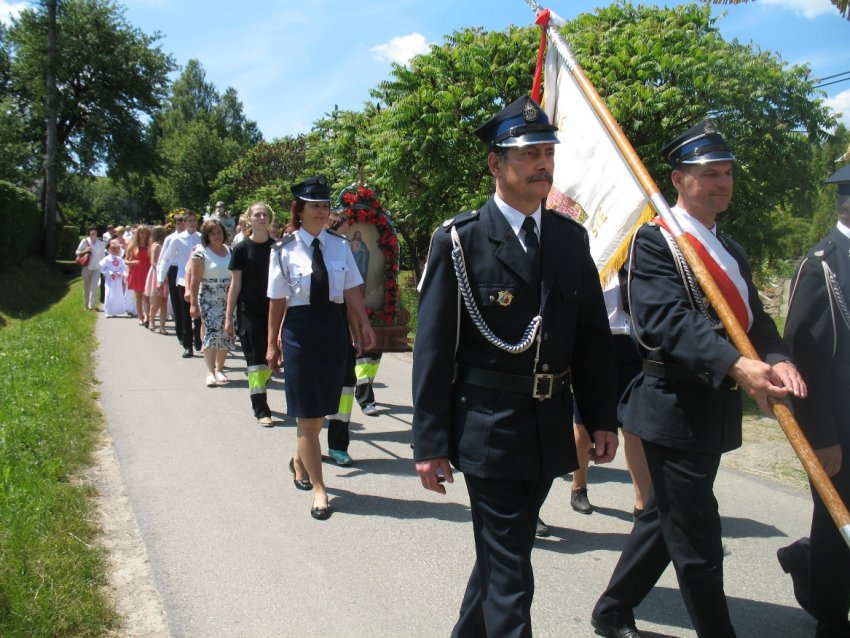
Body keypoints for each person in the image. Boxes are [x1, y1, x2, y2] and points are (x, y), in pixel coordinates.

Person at [412, 95, 619, 637]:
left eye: (547, 153)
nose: (542, 164)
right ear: (495, 163)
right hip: (488, 429)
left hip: (548, 426)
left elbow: (591, 341)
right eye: (529, 154)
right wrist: (430, 442)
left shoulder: (570, 239)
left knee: (503, 552)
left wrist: (601, 417)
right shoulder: (460, 240)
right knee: (510, 575)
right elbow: (433, 351)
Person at [591, 120, 807, 638]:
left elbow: (755, 318)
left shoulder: (729, 247)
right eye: (709, 173)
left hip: (713, 408)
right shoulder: (655, 241)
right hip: (672, 408)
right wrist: (736, 363)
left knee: (664, 520)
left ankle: (611, 609)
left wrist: (778, 357)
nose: (721, 183)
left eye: (727, 173)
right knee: (698, 539)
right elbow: (668, 321)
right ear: (678, 179)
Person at [267, 175, 376, 521]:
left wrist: (364, 325)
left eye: (325, 205)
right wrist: (272, 343)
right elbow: (277, 301)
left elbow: (352, 290)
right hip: (299, 332)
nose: (321, 211)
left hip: (331, 329)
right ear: (299, 210)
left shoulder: (340, 246)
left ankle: (300, 459)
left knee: (321, 412)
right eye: (314, 206)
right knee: (308, 415)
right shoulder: (283, 250)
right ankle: (320, 489)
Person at [778, 163, 850, 638]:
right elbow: (804, 357)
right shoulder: (824, 264)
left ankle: (805, 560)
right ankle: (831, 616)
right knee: (837, 522)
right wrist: (820, 435)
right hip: (840, 423)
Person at [225, 203, 276, 425]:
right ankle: (261, 410)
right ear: (249, 219)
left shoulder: (278, 248)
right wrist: (228, 317)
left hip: (274, 311)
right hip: (249, 312)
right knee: (255, 360)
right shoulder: (241, 249)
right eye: (257, 214)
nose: (261, 217)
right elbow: (235, 285)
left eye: (265, 214)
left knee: (269, 361)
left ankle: (260, 390)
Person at [189, 220, 234, 387]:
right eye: (213, 233)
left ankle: (220, 368)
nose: (217, 236)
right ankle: (210, 371)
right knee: (211, 333)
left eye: (219, 232)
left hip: (228, 297)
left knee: (226, 334)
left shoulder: (230, 251)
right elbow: (195, 280)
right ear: (207, 236)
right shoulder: (200, 252)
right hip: (208, 297)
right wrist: (193, 303)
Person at [158, 213, 201, 358]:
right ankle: (188, 345)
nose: (192, 223)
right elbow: (166, 259)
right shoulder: (177, 239)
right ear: (185, 223)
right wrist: (160, 278)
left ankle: (198, 335)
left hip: (200, 279)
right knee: (185, 314)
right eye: (189, 221)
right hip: (183, 279)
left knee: (199, 313)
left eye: (194, 220)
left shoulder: (202, 238)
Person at [158, 214, 187, 344]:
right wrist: (161, 275)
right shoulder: (170, 238)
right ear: (175, 225)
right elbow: (163, 258)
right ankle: (180, 332)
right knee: (176, 301)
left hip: (187, 269)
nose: (181, 226)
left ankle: (188, 331)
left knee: (186, 302)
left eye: (183, 223)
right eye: (178, 223)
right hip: (174, 269)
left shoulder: (191, 237)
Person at [125, 225, 152, 327]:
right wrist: (131, 262)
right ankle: (140, 317)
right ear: (138, 234)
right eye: (141, 233)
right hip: (136, 272)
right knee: (139, 297)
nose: (143, 235)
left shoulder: (150, 245)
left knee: (147, 297)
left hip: (147, 272)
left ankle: (147, 317)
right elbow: (125, 260)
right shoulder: (132, 246)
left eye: (145, 233)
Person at [145, 225, 169, 334]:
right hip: (157, 274)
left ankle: (162, 326)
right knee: (156, 300)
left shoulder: (161, 245)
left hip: (164, 273)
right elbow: (153, 262)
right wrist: (161, 275)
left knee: (164, 301)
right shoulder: (157, 246)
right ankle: (152, 321)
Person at [76, 226, 105, 311]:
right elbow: (77, 252)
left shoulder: (101, 243)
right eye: (91, 230)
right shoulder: (85, 241)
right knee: (86, 287)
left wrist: (103, 269)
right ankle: (86, 306)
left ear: (97, 232)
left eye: (95, 230)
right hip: (87, 267)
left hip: (97, 267)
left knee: (94, 287)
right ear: (89, 232)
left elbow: (103, 256)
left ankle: (92, 306)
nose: (93, 232)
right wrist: (85, 251)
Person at [99, 240, 127, 317]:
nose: (115, 251)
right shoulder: (106, 259)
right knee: (109, 293)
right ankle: (108, 311)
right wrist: (110, 273)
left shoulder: (120, 259)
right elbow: (103, 269)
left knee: (117, 294)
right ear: (110, 250)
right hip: (110, 280)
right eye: (113, 249)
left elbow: (123, 268)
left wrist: (119, 273)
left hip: (117, 280)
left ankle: (115, 311)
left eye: (117, 250)